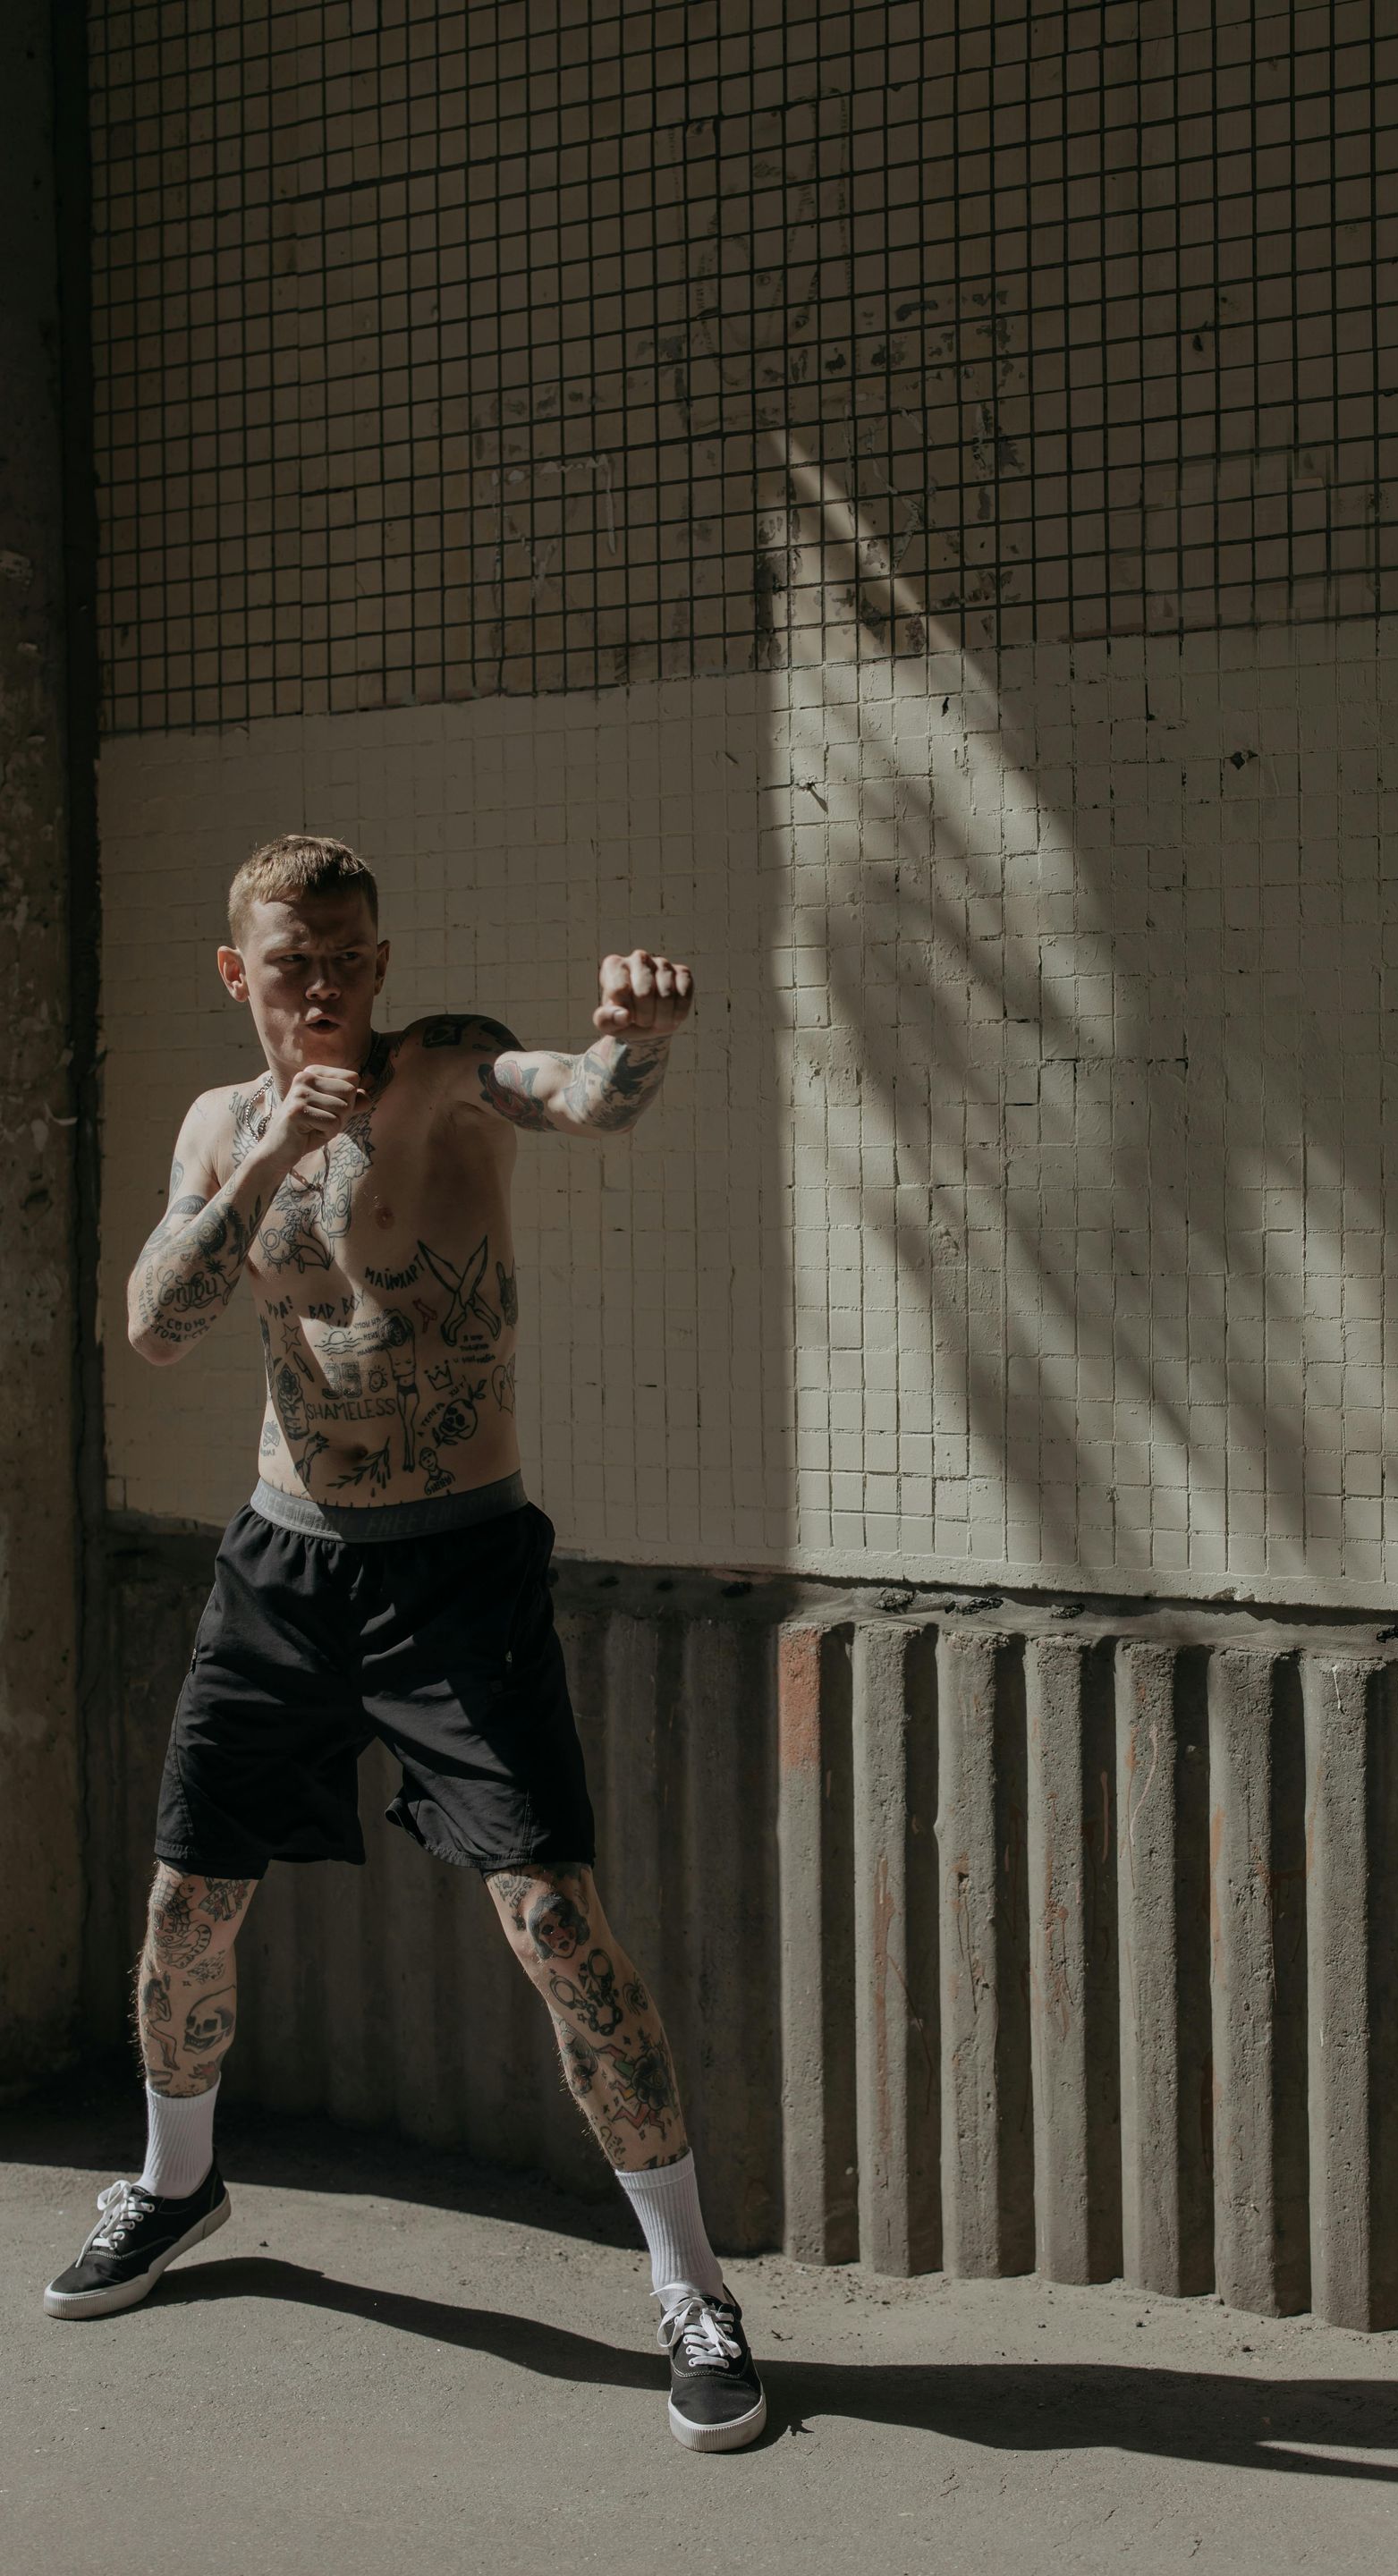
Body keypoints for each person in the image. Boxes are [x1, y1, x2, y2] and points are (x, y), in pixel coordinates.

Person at [42, 834, 766, 2453]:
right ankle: (173, 2185)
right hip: (283, 1563)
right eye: (298, 961)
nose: (330, 986)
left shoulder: (442, 1071)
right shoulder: (219, 1124)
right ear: (241, 974)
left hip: (456, 1570)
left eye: (353, 953)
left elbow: (577, 1095)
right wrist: (257, 1163)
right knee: (185, 1906)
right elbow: (156, 1328)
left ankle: (693, 2284)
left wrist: (635, 1042)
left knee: (555, 1922)